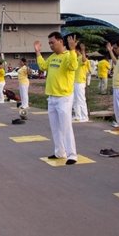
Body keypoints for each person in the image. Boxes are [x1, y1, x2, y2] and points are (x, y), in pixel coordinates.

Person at [34, 32, 79, 165]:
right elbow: (43, 66)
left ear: (60, 41)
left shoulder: (68, 56)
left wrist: (72, 50)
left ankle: (72, 154)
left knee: (66, 127)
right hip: (52, 97)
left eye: (52, 42)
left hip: (63, 97)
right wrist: (37, 53)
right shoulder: (53, 57)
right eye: (49, 43)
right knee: (55, 127)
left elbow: (73, 66)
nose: (51, 45)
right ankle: (60, 152)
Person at [73, 43, 90, 122]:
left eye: (75, 50)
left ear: (77, 50)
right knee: (75, 100)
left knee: (81, 99)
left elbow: (84, 60)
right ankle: (78, 115)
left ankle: (85, 116)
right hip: (75, 81)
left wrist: (83, 51)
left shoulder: (82, 58)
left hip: (80, 82)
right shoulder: (76, 58)